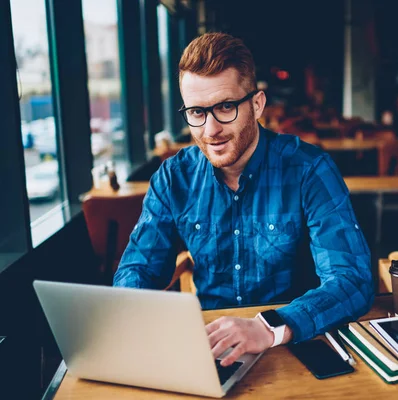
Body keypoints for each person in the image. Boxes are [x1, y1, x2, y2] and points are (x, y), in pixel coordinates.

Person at [113, 33, 373, 367]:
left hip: (295, 343)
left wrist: (269, 327)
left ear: (257, 104)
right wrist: (125, 314)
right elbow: (138, 269)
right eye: (196, 112)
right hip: (211, 351)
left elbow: (352, 280)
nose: (210, 130)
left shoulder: (310, 170)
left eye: (225, 107)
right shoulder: (172, 179)